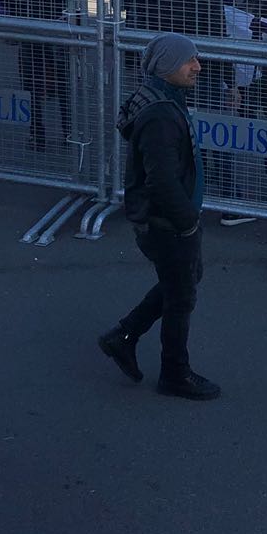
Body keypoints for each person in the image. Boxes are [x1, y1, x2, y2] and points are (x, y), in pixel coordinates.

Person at [98, 33, 220, 401]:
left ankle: (123, 336)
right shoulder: (161, 116)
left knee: (183, 280)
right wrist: (187, 222)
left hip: (168, 219)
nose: (198, 67)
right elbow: (162, 179)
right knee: (181, 294)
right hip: (167, 223)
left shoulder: (162, 101)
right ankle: (174, 373)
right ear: (166, 66)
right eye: (189, 60)